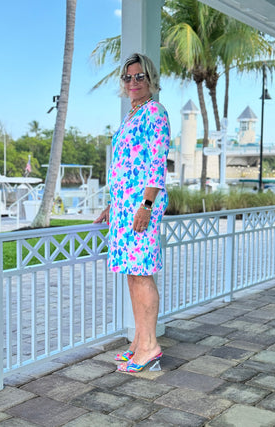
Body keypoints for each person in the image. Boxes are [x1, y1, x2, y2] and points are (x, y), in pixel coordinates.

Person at [94, 53, 170, 373]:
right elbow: (124, 166)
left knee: (141, 274)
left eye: (139, 77)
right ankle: (139, 341)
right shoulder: (132, 116)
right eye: (128, 78)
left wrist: (147, 205)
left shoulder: (155, 112)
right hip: (125, 206)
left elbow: (156, 163)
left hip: (142, 206)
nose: (133, 82)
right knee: (132, 273)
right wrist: (113, 204)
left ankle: (151, 346)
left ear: (150, 79)